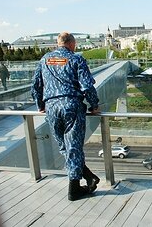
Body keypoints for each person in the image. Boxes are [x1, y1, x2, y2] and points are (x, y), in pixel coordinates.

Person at [31, 32, 100, 201]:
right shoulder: (76, 59)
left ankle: (89, 177)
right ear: (71, 44)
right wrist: (94, 105)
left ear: (58, 43)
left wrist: (40, 105)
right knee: (73, 147)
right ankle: (74, 190)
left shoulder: (44, 60)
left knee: (64, 147)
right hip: (72, 107)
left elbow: (35, 85)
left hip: (51, 108)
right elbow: (87, 86)